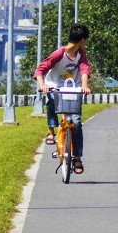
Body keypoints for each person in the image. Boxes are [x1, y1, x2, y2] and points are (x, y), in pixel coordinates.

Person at [36, 23, 92, 174]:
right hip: (55, 85)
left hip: (73, 87)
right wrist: (42, 85)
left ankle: (77, 157)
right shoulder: (59, 53)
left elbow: (84, 69)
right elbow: (41, 69)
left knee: (77, 123)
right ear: (83, 40)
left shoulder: (81, 54)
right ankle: (50, 130)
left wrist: (85, 86)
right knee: (51, 100)